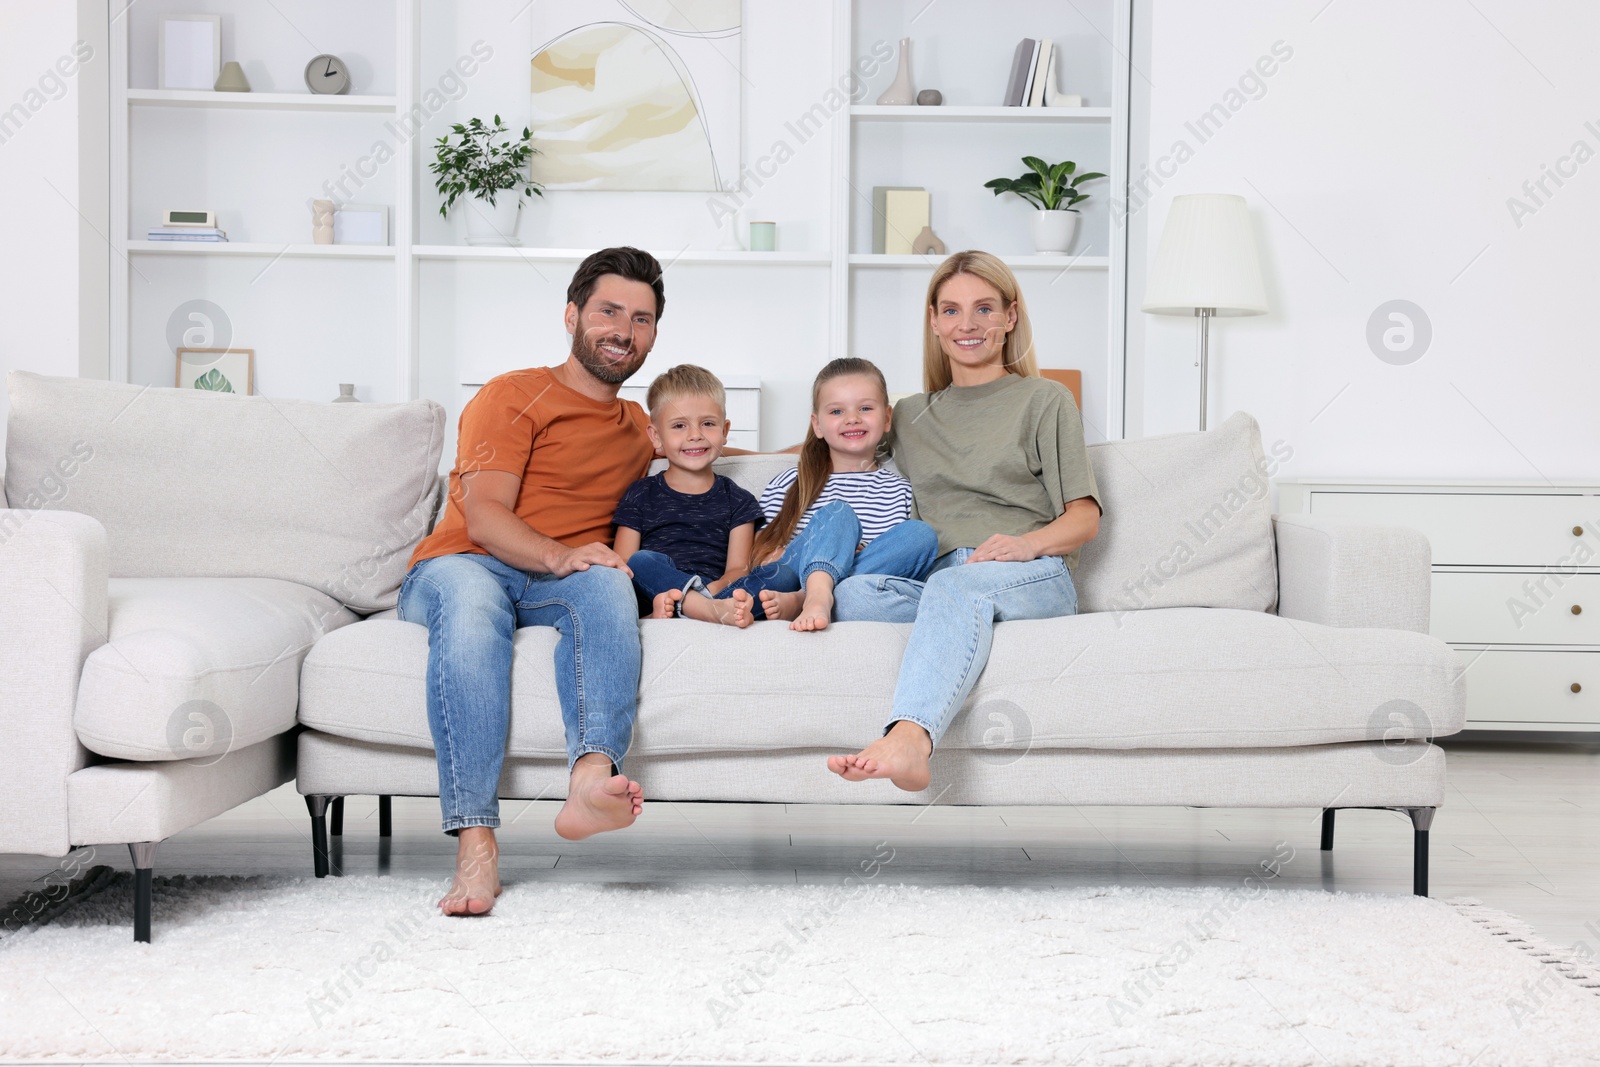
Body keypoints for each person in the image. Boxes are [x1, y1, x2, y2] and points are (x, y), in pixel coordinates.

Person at [399, 246, 666, 916]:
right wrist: (561, 554)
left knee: (609, 583)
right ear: (572, 314)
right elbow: (485, 517)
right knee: (470, 604)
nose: (623, 329)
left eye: (641, 318)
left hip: (557, 579)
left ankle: (589, 781)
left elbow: (709, 451)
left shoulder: (638, 425)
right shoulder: (512, 394)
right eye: (609, 310)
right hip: (464, 561)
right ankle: (476, 842)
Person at [827, 251, 1103, 791]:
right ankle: (965, 626)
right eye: (951, 311)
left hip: (1032, 572)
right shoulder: (909, 413)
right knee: (854, 594)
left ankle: (909, 738)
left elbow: (1085, 517)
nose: (967, 324)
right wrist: (705, 452)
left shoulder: (1045, 400)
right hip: (943, 578)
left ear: (1010, 317)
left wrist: (1027, 545)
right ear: (934, 322)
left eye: (983, 309)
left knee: (955, 588)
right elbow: (836, 438)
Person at [746, 357, 939, 631]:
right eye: (837, 411)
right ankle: (814, 591)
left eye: (865, 408)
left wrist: (850, 556)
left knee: (921, 535)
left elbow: (898, 558)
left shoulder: (901, 489)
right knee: (838, 515)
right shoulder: (790, 483)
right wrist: (832, 545)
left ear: (886, 418)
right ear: (817, 425)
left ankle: (811, 597)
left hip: (858, 588)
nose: (852, 418)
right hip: (795, 575)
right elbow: (763, 556)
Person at [615, 365, 767, 627]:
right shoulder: (640, 493)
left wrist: (714, 590)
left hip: (719, 593)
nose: (695, 435)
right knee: (641, 560)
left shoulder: (739, 500)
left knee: (774, 578)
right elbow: (623, 566)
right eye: (679, 425)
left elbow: (737, 569)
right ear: (656, 436)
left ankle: (693, 607)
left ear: (725, 431)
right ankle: (698, 609)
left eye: (708, 424)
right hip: (657, 590)